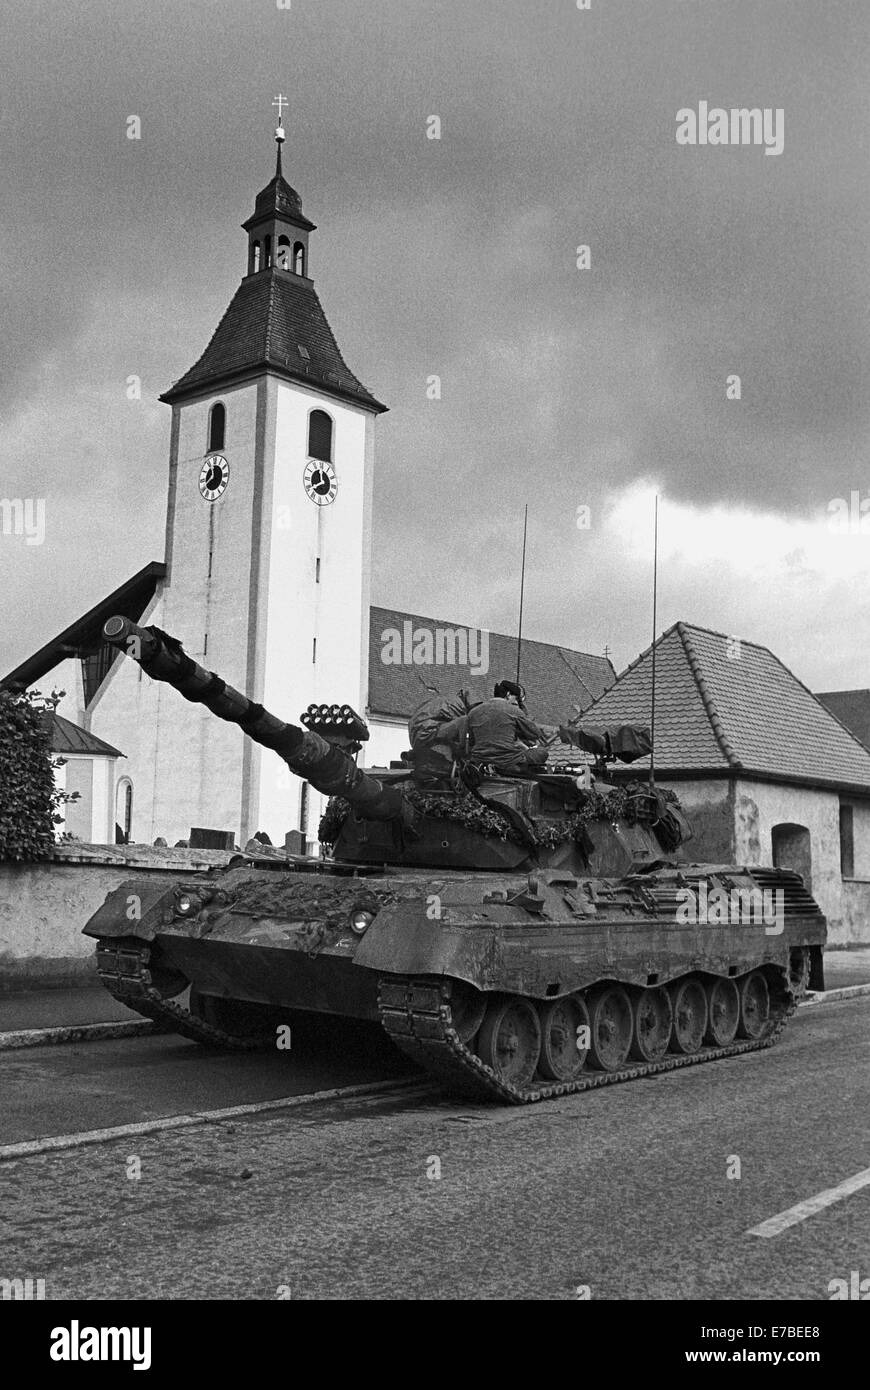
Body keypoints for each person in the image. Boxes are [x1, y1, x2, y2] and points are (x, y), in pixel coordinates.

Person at [465, 688, 549, 775]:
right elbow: (535, 733)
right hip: (508, 761)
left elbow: (470, 740)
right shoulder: (513, 710)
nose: (516, 703)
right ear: (508, 694)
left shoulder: (473, 712)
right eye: (516, 699)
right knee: (542, 752)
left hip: (480, 759)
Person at [408, 688, 481, 775]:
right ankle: (463, 755)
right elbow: (463, 728)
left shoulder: (449, 700)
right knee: (464, 721)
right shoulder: (457, 704)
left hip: (421, 735)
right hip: (426, 734)